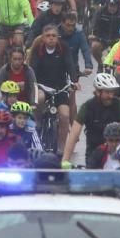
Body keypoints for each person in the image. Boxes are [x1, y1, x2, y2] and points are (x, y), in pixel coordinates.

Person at [62, 72, 120, 166]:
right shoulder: (87, 107)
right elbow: (74, 134)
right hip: (93, 153)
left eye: (112, 92)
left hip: (116, 152)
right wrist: (65, 160)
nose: (111, 96)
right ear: (98, 92)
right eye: (107, 92)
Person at [29, 23, 77, 153]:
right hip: (42, 87)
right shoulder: (38, 50)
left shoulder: (64, 49)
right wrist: (33, 84)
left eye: (54, 36)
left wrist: (74, 81)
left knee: (64, 115)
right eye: (48, 36)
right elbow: (32, 69)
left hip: (60, 89)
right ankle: (38, 121)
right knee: (39, 98)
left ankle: (62, 147)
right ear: (43, 38)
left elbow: (70, 66)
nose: (51, 38)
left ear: (58, 37)